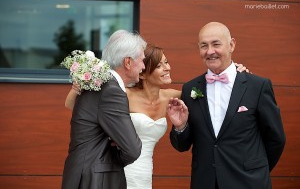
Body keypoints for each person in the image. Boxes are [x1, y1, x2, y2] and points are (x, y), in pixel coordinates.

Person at [65, 43, 249, 189]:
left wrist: (234, 73)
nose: (167, 68)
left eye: (166, 62)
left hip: (145, 173)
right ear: (143, 73)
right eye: (159, 65)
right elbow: (74, 106)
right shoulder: (122, 95)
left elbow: (209, 92)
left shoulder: (173, 96)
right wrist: (78, 87)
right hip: (119, 169)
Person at [167, 22, 286, 189]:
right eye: (204, 46)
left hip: (249, 182)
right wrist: (180, 126)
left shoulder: (257, 86)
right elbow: (182, 146)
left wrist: (258, 171)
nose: (210, 51)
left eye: (216, 44)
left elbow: (276, 139)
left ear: (231, 45)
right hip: (205, 182)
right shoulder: (190, 89)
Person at [61, 30, 145, 189]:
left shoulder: (97, 83)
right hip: (95, 179)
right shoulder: (111, 90)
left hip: (80, 174)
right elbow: (133, 149)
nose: (143, 66)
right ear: (128, 62)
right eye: (142, 60)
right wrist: (116, 157)